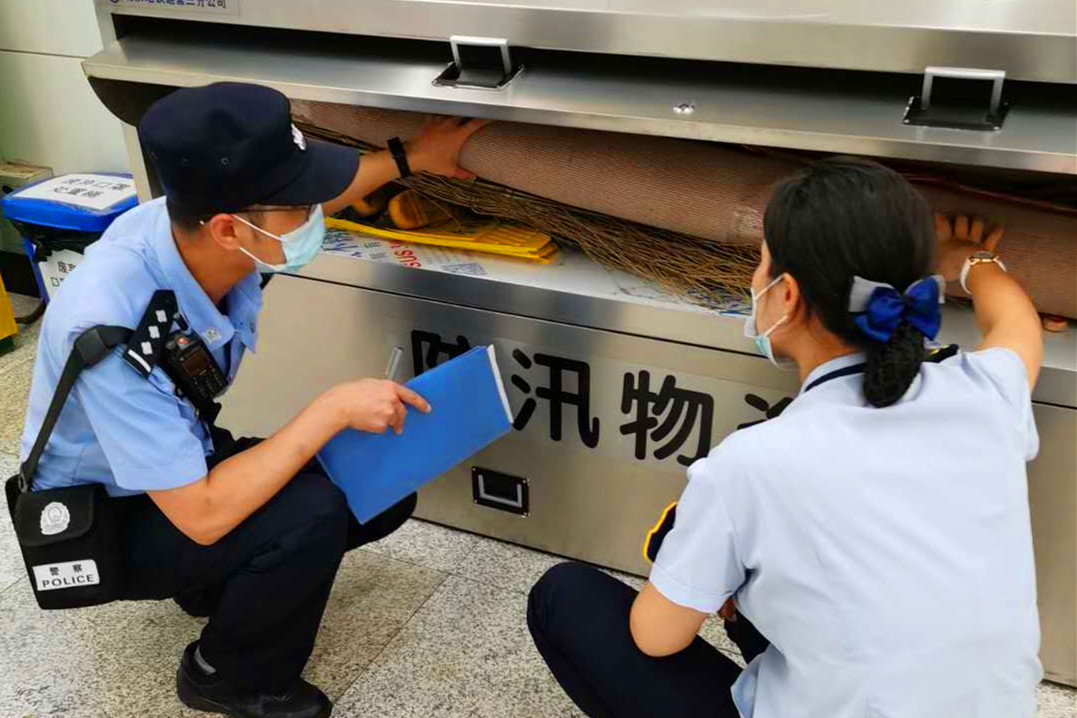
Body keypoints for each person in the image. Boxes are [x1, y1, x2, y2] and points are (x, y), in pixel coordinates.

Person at [19, 82, 487, 718]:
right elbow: (203, 516)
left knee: (379, 482)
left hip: (181, 462)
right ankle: (227, 675)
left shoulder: (202, 232)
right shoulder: (110, 327)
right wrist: (325, 413)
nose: (314, 215)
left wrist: (413, 159)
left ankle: (215, 580)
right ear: (226, 228)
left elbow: (299, 201)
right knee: (315, 511)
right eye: (298, 206)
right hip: (112, 516)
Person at [527, 157, 1044, 718]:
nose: (755, 280)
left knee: (563, 596)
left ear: (788, 295)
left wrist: (688, 551)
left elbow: (655, 638)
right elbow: (1016, 322)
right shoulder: (985, 391)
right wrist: (971, 260)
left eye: (761, 262)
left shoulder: (749, 464)